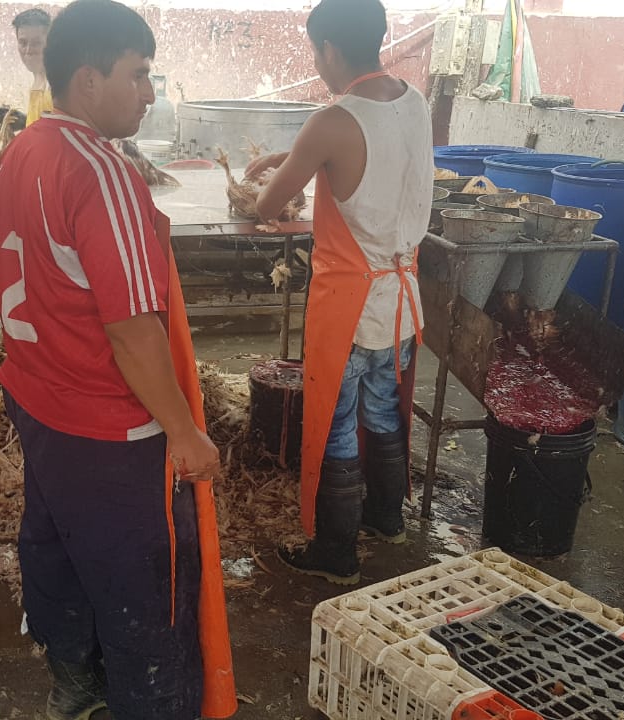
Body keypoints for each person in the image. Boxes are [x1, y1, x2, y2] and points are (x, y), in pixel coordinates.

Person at [0, 1, 236, 718]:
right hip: (109, 429)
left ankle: (73, 685)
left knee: (59, 545)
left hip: (39, 401)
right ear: (88, 80)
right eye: (140, 75)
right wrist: (185, 431)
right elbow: (133, 331)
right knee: (145, 592)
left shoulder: (23, 150)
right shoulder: (101, 172)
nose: (151, 92)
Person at [250, 0, 432, 585]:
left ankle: (336, 549)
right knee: (382, 406)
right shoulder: (415, 101)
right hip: (402, 292)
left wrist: (294, 161)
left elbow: (265, 205)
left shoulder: (332, 119)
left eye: (315, 53)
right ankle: (386, 518)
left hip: (351, 302)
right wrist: (299, 156)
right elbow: (378, 165)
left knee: (335, 420)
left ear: (327, 49)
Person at [0, 7, 53, 129]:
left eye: (36, 43)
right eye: (23, 43)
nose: (28, 50)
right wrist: (25, 123)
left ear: (49, 43)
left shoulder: (54, 86)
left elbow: (51, 136)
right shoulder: (39, 78)